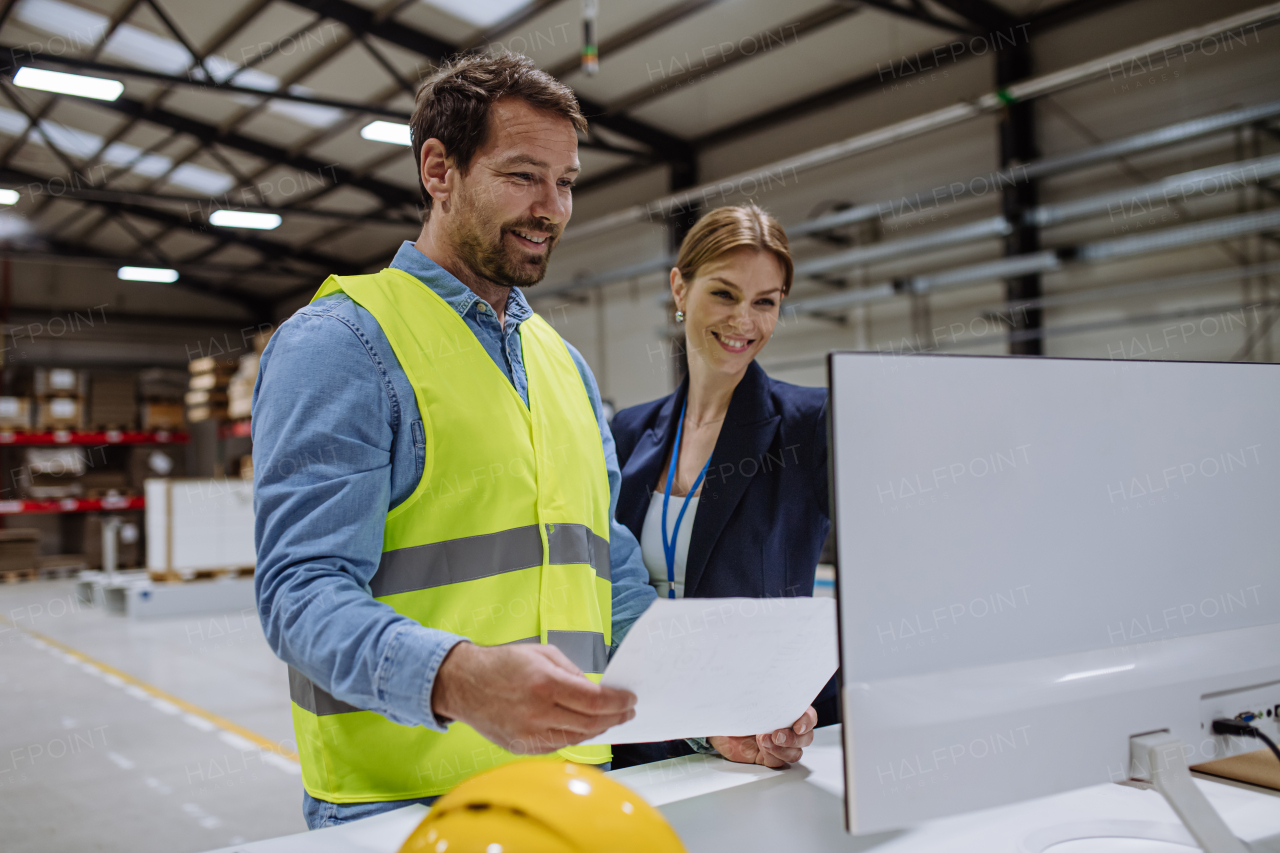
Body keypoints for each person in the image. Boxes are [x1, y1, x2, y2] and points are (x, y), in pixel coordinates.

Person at [252, 55, 809, 829]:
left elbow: (607, 574)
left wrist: (712, 710)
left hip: (576, 790)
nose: (551, 207)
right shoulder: (343, 344)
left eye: (567, 182)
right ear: (438, 169)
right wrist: (457, 677)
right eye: (522, 176)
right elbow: (299, 591)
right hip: (407, 807)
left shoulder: (563, 364)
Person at [610, 204, 836, 768]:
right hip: (638, 738)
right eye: (725, 294)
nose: (745, 321)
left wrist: (811, 696)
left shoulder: (810, 425)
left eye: (766, 302)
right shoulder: (629, 431)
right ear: (679, 289)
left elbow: (888, 581)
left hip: (747, 743)